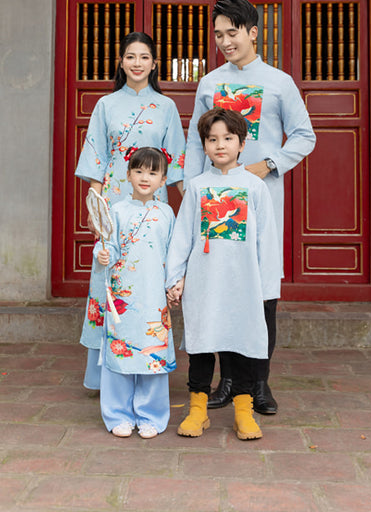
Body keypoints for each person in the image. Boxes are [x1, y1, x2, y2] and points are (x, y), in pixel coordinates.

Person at [183, 0, 316, 415]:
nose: (224, 41)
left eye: (232, 32)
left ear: (253, 32)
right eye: (218, 34)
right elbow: (192, 143)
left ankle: (259, 383)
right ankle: (226, 383)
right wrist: (192, 191)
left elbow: (304, 135)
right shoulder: (209, 84)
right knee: (218, 291)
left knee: (260, 295)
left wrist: (267, 164)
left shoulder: (279, 83)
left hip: (259, 204)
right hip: (216, 203)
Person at [75, 32, 185, 391]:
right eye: (130, 57)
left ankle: (149, 364)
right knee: (109, 280)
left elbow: (176, 163)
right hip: (114, 203)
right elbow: (97, 160)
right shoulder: (106, 105)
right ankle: (105, 374)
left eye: (144, 57)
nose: (137, 63)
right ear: (121, 63)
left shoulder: (166, 108)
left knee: (149, 285)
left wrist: (191, 209)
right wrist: (96, 208)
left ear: (154, 64)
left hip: (153, 207)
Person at [166, 107, 280, 440]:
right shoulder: (198, 187)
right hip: (204, 281)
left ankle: (243, 413)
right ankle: (197, 410)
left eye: (228, 138)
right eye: (212, 139)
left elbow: (266, 240)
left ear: (242, 144)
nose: (220, 145)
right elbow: (182, 236)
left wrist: (266, 286)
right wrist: (175, 278)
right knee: (201, 346)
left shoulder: (254, 188)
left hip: (243, 282)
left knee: (240, 345)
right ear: (203, 146)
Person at [95, 147, 176, 439]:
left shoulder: (166, 213)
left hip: (154, 296)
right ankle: (118, 414)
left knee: (152, 355)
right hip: (122, 297)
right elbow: (107, 243)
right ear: (128, 175)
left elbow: (174, 253)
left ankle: (151, 415)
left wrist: (175, 284)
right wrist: (103, 253)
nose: (145, 177)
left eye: (153, 173)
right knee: (121, 353)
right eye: (139, 171)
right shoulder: (116, 211)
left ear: (163, 180)